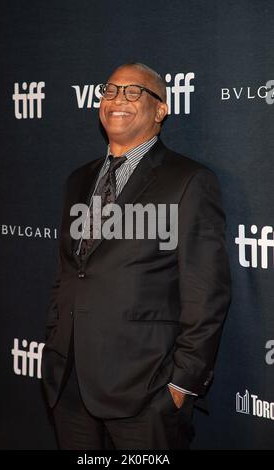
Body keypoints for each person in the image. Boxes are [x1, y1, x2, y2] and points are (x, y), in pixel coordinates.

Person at [41, 62, 231, 450]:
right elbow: (70, 273)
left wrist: (180, 386)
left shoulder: (189, 181)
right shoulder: (79, 180)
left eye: (133, 92)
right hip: (69, 384)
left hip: (145, 394)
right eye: (110, 90)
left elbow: (206, 293)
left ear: (161, 109)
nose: (117, 100)